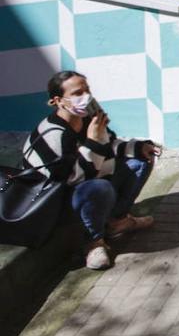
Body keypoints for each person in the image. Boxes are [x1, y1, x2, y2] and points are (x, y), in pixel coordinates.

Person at [23, 71, 161, 271]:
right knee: (99, 188)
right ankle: (93, 243)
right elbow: (70, 179)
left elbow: (111, 144)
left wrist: (138, 147)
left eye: (87, 90)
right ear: (58, 101)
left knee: (140, 160)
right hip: (55, 201)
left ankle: (117, 221)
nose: (86, 96)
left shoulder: (89, 119)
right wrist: (93, 142)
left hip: (85, 184)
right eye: (78, 93)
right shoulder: (52, 134)